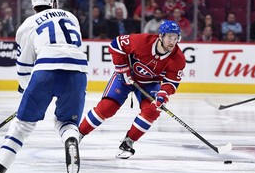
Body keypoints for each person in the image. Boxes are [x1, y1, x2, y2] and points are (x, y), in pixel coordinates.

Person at [0, 0, 88, 173]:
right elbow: (74, 48)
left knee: (22, 125)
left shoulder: (27, 25)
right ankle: (70, 139)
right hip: (78, 72)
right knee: (67, 122)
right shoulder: (71, 17)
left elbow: (23, 67)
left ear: (33, 6)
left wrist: (25, 90)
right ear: (54, 2)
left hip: (46, 70)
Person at [78, 20, 186, 159]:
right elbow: (116, 44)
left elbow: (171, 82)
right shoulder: (142, 42)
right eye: (169, 37)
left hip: (150, 83)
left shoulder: (178, 58)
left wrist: (162, 95)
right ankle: (79, 133)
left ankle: (128, 142)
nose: (172, 41)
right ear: (161, 36)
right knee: (107, 107)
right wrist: (123, 69)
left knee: (153, 110)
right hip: (125, 77)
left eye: (176, 38)